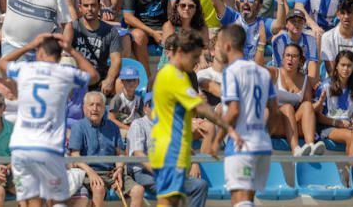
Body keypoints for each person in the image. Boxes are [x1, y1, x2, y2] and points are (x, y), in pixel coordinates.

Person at [0, 33, 99, 207]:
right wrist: (71, 49)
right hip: (48, 146)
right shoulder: (65, 73)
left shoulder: (26, 70)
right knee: (58, 199)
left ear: (41, 53)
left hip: (21, 146)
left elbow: (1, 64)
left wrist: (29, 45)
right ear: (59, 56)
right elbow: (94, 76)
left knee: (32, 201)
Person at [152, 29, 240, 207]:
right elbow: (200, 107)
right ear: (180, 52)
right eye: (194, 57)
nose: (196, 63)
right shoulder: (172, 75)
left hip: (177, 149)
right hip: (169, 152)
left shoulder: (182, 76)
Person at [218, 24, 277, 205]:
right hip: (262, 145)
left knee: (239, 199)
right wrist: (264, 133)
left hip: (242, 145)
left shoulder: (231, 71)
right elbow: (275, 111)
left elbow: (234, 111)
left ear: (227, 45)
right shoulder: (263, 72)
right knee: (247, 199)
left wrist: (215, 139)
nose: (218, 48)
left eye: (219, 43)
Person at [70, 91, 145, 207]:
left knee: (138, 190)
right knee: (99, 189)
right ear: (84, 108)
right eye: (91, 104)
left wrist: (119, 169)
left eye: (99, 105)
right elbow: (75, 155)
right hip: (88, 172)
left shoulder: (113, 127)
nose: (95, 108)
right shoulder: (78, 126)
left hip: (112, 173)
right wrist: (91, 173)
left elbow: (119, 153)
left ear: (104, 108)